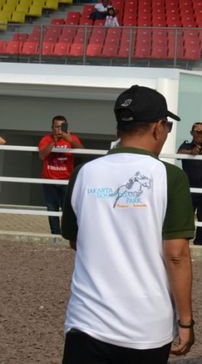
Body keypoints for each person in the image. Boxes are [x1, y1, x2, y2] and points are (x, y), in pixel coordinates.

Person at [61, 85, 194, 362]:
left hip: (86, 320)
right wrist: (185, 321)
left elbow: (76, 240)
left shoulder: (83, 173)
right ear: (158, 127)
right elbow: (176, 255)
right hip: (146, 326)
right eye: (167, 125)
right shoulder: (169, 177)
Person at [38, 115, 84, 235]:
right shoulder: (46, 139)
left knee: (67, 209)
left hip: (66, 180)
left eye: (62, 126)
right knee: (51, 209)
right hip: (49, 180)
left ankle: (66, 234)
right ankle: (55, 234)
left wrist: (70, 141)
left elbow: (82, 151)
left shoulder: (72, 138)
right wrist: (54, 141)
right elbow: (42, 155)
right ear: (52, 127)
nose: (59, 129)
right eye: (56, 127)